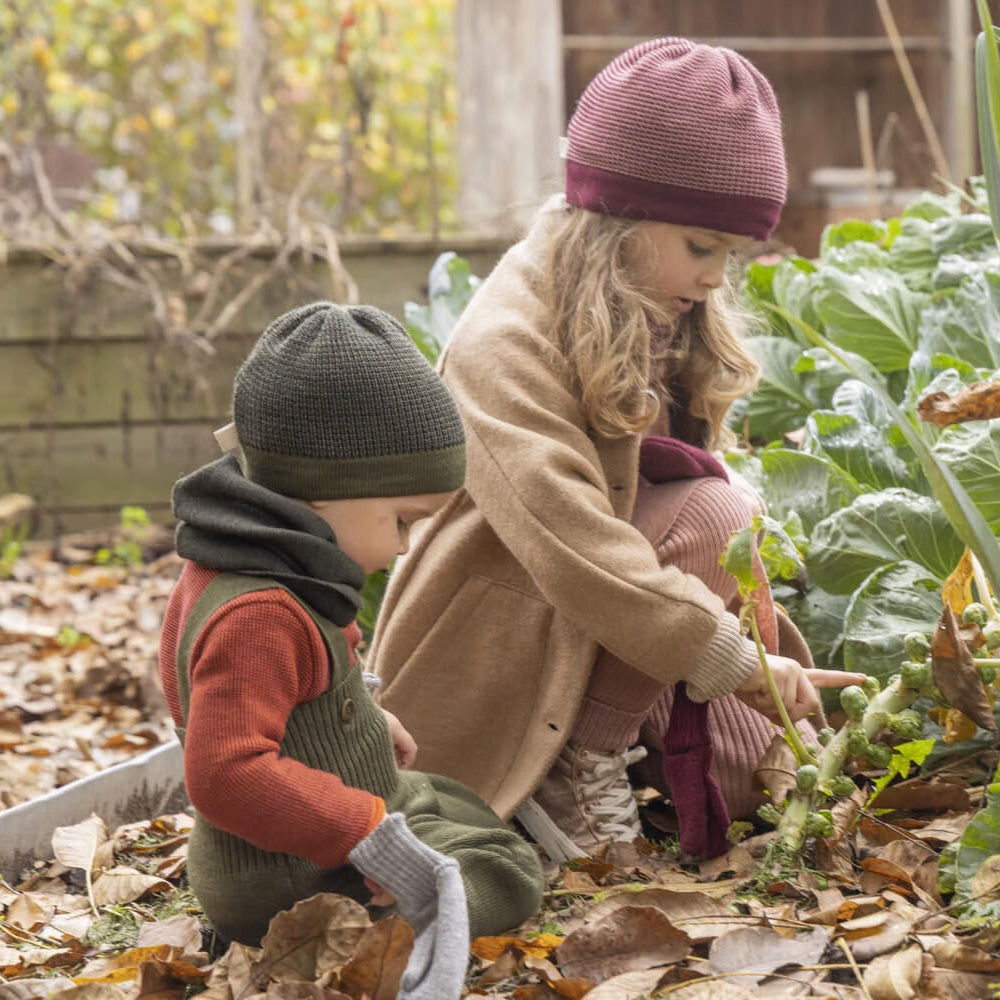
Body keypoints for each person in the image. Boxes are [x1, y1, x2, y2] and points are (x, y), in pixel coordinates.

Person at [369, 37, 866, 861]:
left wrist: (754, 669)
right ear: (616, 218)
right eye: (701, 247)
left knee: (744, 790)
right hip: (498, 625)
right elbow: (576, 547)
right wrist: (728, 657)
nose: (715, 278)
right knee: (714, 511)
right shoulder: (505, 340)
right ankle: (576, 763)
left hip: (604, 616)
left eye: (731, 255)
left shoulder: (652, 307)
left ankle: (625, 741)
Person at [158, 302, 544, 1000]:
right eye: (400, 520)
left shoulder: (253, 561)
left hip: (309, 826)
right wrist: (364, 831)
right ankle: (379, 932)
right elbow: (221, 771)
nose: (401, 545)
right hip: (285, 868)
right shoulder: (259, 614)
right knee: (504, 868)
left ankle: (377, 894)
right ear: (326, 494)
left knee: (460, 804)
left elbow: (293, 688)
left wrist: (362, 712)